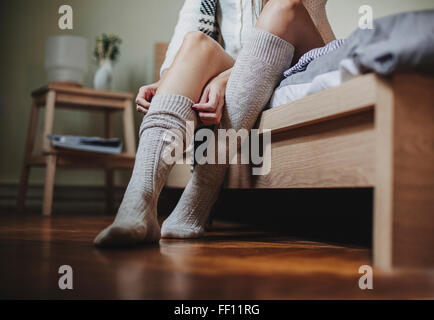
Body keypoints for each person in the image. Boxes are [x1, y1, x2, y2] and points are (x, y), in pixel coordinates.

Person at [94, 0, 335, 247]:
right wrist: (166, 82)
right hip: (244, 69)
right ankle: (138, 202)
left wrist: (223, 79)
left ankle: (201, 194)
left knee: (283, 7)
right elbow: (183, 40)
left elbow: (293, 21)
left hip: (299, 54)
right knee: (195, 42)